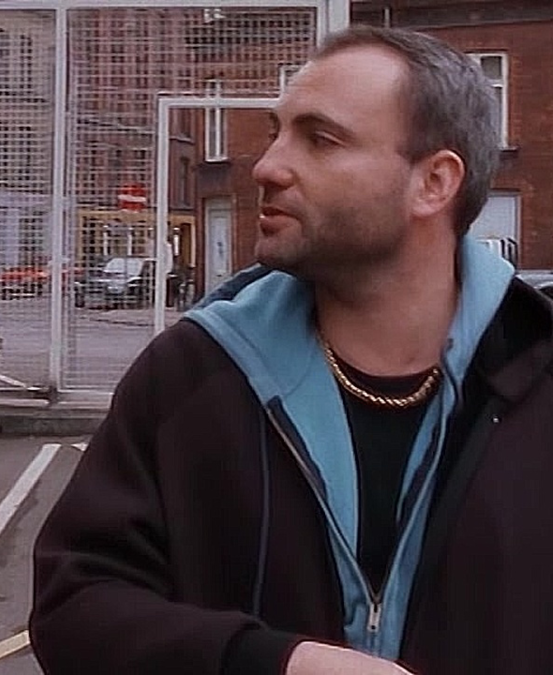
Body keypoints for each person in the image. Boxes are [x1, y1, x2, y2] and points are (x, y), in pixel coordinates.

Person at [30, 24, 553, 675]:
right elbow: (74, 608)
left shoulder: (536, 379)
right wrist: (271, 662)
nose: (268, 166)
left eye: (320, 139)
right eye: (277, 133)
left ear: (434, 183)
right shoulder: (191, 375)